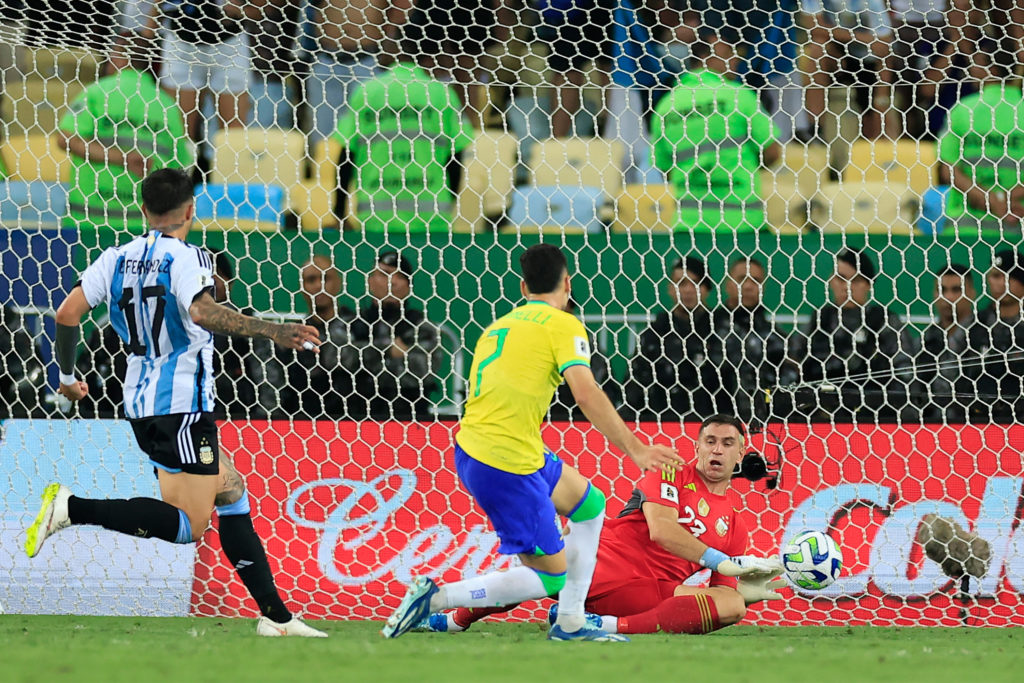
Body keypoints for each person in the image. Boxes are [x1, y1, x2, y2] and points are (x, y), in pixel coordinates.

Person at [25, 168, 327, 638]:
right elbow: (203, 312)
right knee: (189, 525)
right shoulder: (187, 258)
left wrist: (65, 377)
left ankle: (277, 619)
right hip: (182, 404)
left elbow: (66, 314)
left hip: (143, 402)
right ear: (190, 210)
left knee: (232, 492)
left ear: (143, 211)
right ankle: (71, 507)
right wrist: (275, 330)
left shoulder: (115, 257)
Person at [380, 243, 685, 641]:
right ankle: (436, 599)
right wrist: (637, 449)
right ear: (568, 283)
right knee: (549, 578)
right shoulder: (563, 324)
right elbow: (586, 393)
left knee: (591, 507)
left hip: (493, 446)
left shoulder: (499, 326)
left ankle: (571, 622)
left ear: (523, 287)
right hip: (505, 462)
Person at [422, 415, 786, 635]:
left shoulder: (735, 524)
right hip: (600, 561)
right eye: (710, 441)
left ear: (741, 453)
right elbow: (661, 529)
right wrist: (717, 560)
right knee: (538, 574)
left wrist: (741, 592)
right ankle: (456, 618)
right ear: (697, 445)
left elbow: (721, 594)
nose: (717, 451)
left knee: (732, 607)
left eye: (727, 444)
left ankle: (600, 624)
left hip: (647, 593)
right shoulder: (669, 471)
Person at [331, 31, 475, 233]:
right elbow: (456, 157)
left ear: (394, 51)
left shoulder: (367, 91)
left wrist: (338, 213)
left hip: (376, 216)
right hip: (432, 215)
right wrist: (449, 201)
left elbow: (347, 155)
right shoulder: (440, 93)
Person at [57, 32, 193, 232]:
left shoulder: (97, 92)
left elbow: (65, 139)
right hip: (144, 228)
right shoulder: (166, 104)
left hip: (86, 224)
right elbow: (180, 164)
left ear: (119, 56)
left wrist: (121, 158)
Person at [650, 31, 781, 234]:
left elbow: (665, 168)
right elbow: (772, 152)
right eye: (728, 52)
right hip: (742, 224)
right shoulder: (737, 94)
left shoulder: (667, 105)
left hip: (689, 225)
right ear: (705, 57)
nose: (736, 58)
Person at [790, 248, 917, 422]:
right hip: (819, 419)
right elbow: (793, 366)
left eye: (855, 280)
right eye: (840, 278)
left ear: (868, 284)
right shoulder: (818, 321)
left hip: (872, 419)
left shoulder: (884, 321)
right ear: (831, 280)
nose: (846, 286)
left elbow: (905, 375)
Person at [141, 1, 255, 147]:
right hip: (181, 44)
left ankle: (230, 168)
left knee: (233, 135)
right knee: (179, 133)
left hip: (230, 46)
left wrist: (240, 10)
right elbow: (160, 4)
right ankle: (182, 169)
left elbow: (265, 9)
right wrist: (147, 35)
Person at [624, 256, 722, 421]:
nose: (689, 290)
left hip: (715, 427)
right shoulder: (654, 336)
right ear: (670, 288)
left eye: (696, 283)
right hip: (662, 425)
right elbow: (634, 389)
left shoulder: (723, 331)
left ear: (707, 289)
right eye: (681, 283)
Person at [938, 46, 1024, 233]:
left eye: (975, 65)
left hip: (965, 226)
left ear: (990, 69)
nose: (970, 72)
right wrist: (1004, 199)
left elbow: (948, 169)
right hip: (1017, 222)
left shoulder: (962, 109)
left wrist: (990, 200)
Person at [261, 255, 357, 419]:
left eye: (325, 278)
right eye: (311, 280)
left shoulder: (360, 327)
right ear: (302, 287)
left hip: (355, 422)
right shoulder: (292, 336)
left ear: (339, 283)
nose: (319, 286)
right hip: (301, 423)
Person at [350, 250, 441, 420]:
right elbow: (341, 359)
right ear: (370, 281)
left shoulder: (422, 326)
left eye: (400, 276)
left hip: (410, 418)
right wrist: (388, 349)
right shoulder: (352, 323)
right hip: (356, 418)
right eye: (384, 274)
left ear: (408, 285)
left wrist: (370, 356)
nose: (392, 282)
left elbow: (423, 371)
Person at [799, 0, 897, 140]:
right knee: (818, 48)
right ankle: (814, 129)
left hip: (869, 61)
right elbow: (813, 26)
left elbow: (884, 46)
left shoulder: (872, 3)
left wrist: (881, 98)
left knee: (878, 124)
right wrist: (861, 38)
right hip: (838, 53)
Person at [712, 257, 791, 422]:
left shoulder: (776, 337)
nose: (748, 286)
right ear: (728, 284)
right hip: (713, 420)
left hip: (767, 423)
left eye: (755, 280)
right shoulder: (708, 328)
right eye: (742, 279)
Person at [962, 249, 1024, 421]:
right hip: (979, 418)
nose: (1000, 283)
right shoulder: (975, 323)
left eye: (1007, 276)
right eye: (995, 276)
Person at [913, 263, 976, 423]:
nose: (948, 297)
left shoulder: (985, 336)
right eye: (942, 290)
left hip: (976, 427)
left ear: (972, 293)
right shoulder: (925, 341)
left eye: (956, 290)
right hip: (929, 428)